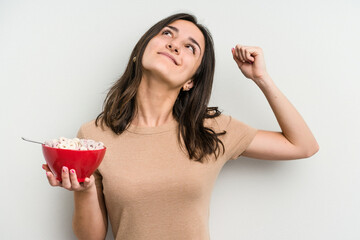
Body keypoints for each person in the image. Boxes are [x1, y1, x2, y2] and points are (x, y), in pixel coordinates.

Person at [42, 13, 319, 240]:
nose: (174, 45)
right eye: (167, 34)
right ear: (140, 51)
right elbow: (91, 237)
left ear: (190, 82)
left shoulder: (210, 129)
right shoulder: (93, 136)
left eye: (190, 47)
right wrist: (85, 189)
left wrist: (262, 78)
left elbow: (303, 146)